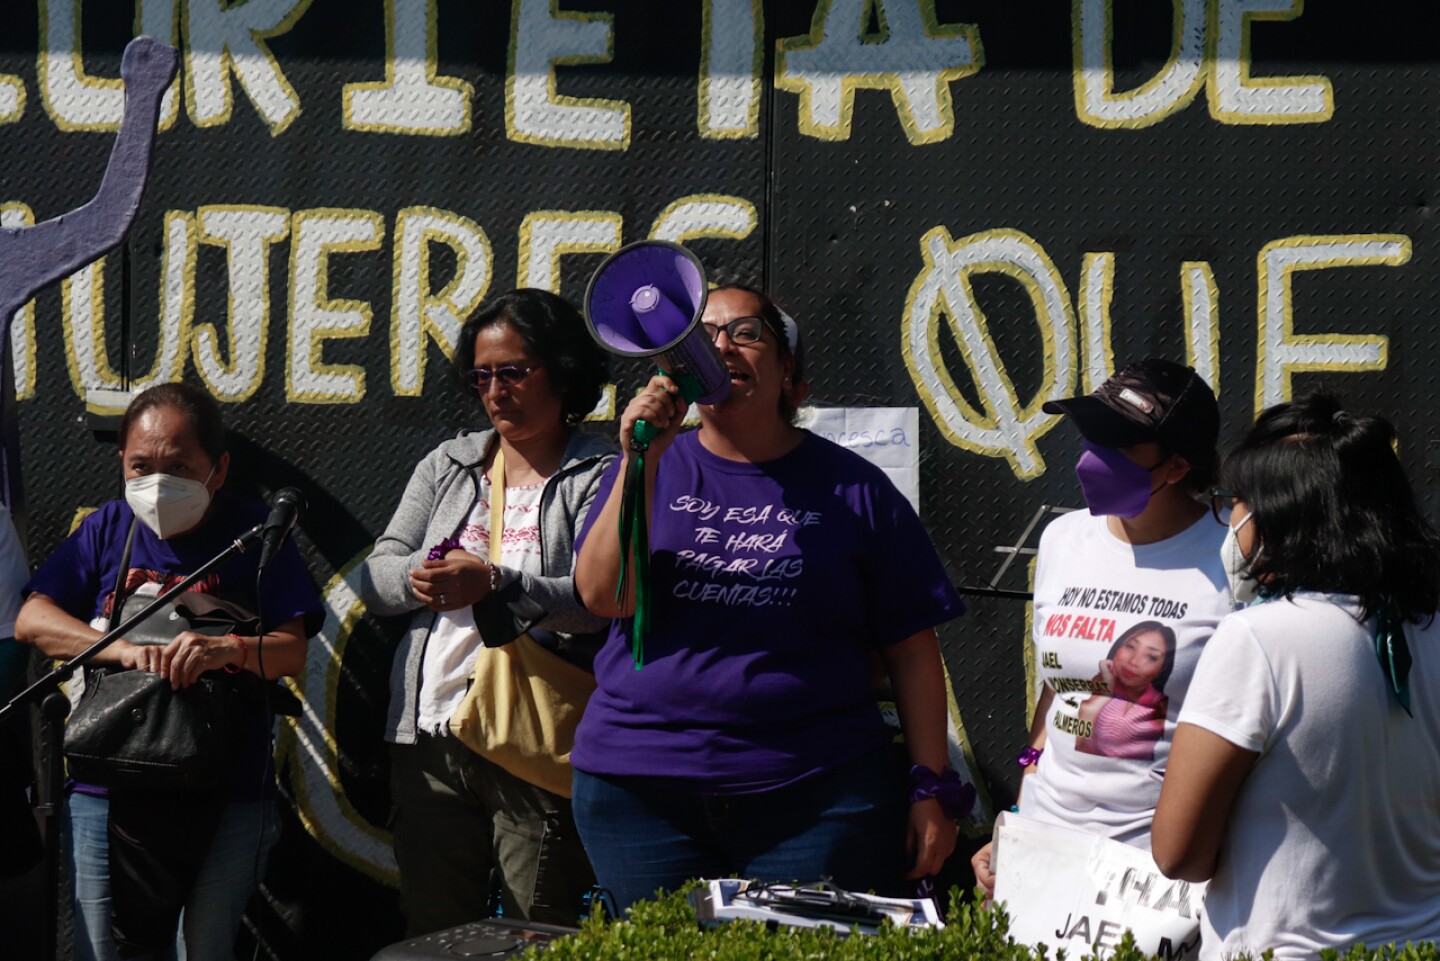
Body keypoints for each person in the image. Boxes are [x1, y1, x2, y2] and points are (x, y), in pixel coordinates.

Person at [572, 285, 967, 911]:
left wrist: (930, 792)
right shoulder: (647, 463)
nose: (721, 346)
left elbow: (914, 651)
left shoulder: (855, 489)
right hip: (640, 794)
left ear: (792, 377)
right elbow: (603, 597)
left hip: (816, 798)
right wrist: (640, 459)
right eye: (704, 337)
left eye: (747, 334)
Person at [14, 382, 323, 961]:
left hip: (227, 789)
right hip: (108, 785)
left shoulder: (258, 535)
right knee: (101, 949)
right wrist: (119, 648)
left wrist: (226, 649)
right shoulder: (108, 528)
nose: (158, 482)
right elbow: (34, 620)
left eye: (179, 466)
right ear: (121, 464)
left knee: (203, 949)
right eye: (141, 465)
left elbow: (290, 651)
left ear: (219, 468)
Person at [361, 288, 616, 935]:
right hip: (429, 731)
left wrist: (495, 581)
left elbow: (598, 603)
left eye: (513, 371)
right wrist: (418, 577)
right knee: (432, 929)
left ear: (561, 369)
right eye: (481, 375)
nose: (495, 390)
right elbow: (377, 571)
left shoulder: (601, 473)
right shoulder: (449, 462)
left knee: (539, 927)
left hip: (534, 730)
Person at [1153, 393, 1440, 959]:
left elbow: (1178, 852)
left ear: (1279, 513)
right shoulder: (1429, 627)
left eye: (1236, 501)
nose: (1229, 520)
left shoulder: (1258, 640)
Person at [972, 358, 1232, 897]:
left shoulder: (1233, 555)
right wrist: (1019, 817)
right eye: (1092, 435)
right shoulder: (1064, 539)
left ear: (1179, 466)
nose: (1093, 457)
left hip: (1153, 871)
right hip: (1044, 843)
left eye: (1120, 444)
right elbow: (1060, 691)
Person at [1074, 621, 1176, 760]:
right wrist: (1104, 694)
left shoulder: (1163, 705)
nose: (1134, 661)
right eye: (1130, 646)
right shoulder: (1101, 682)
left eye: (1151, 657)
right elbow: (1079, 745)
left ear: (1161, 669)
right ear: (1117, 648)